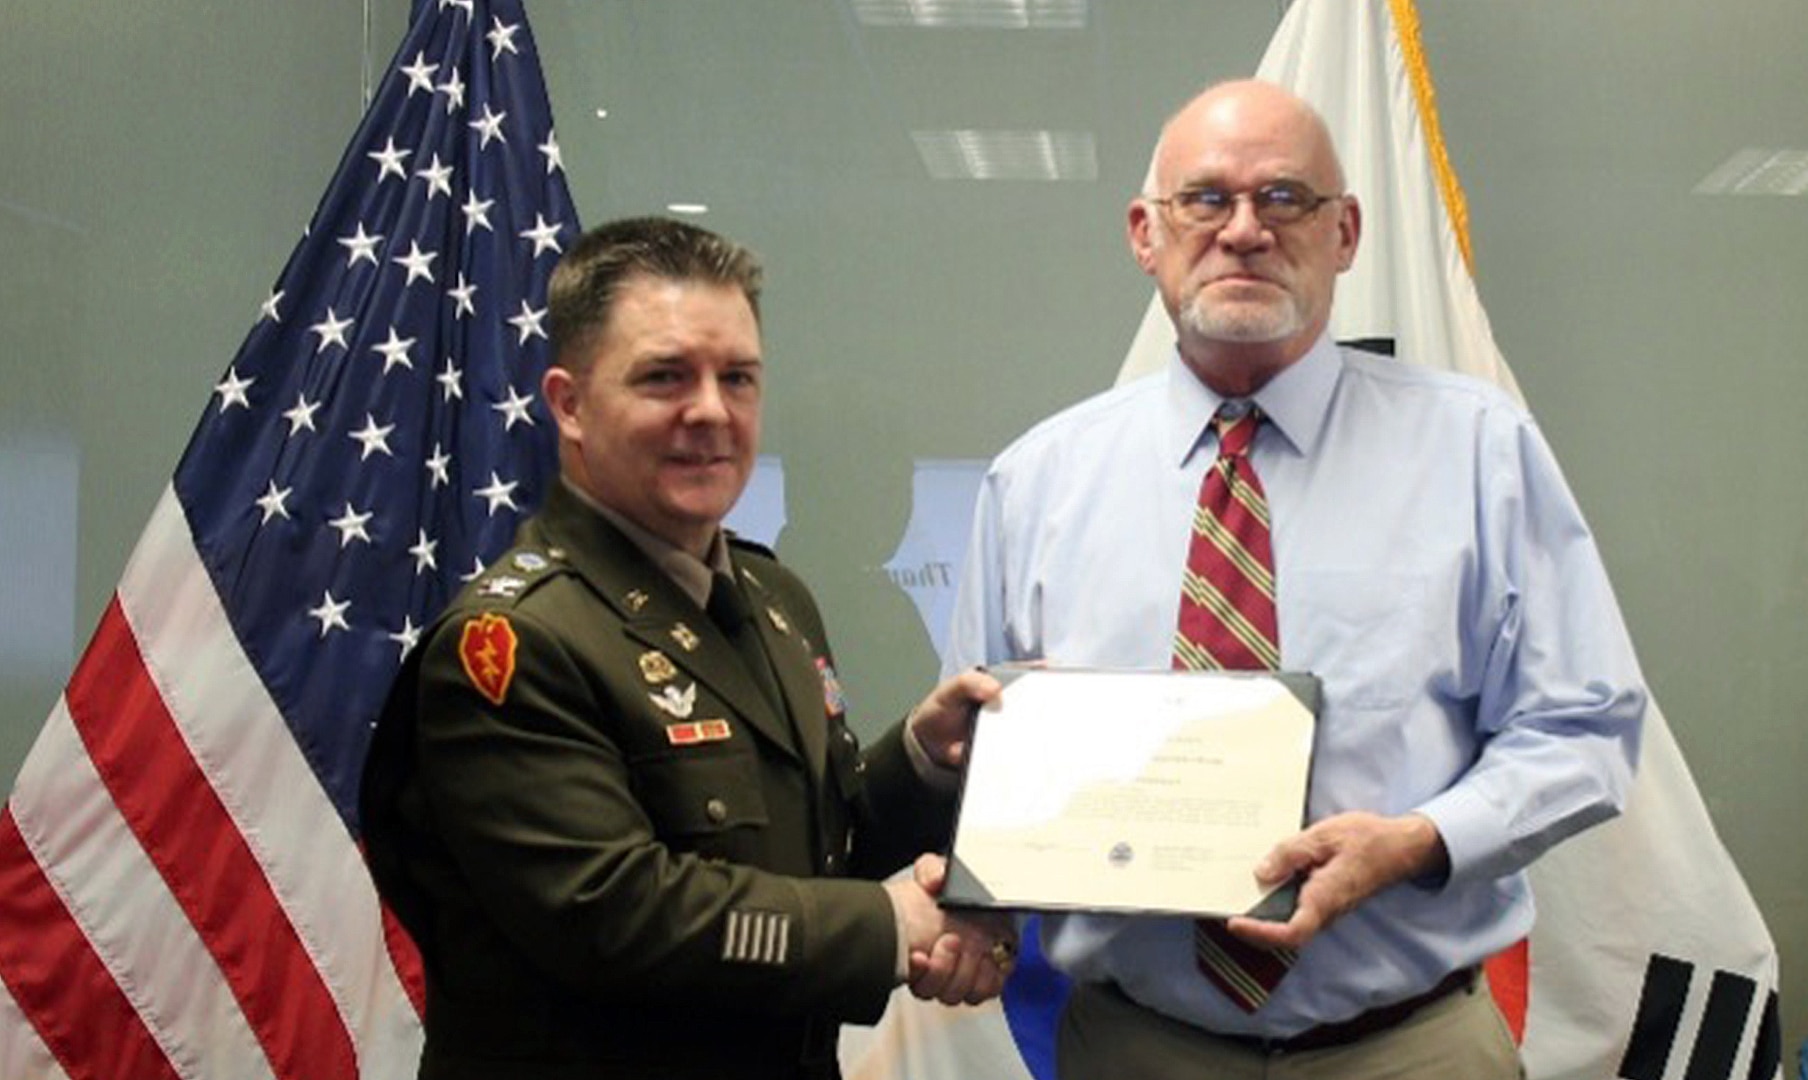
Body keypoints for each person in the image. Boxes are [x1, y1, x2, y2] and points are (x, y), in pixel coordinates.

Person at [946, 80, 1647, 1078]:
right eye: (1206, 200)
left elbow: (1587, 726)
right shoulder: (1036, 482)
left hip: (1410, 1045)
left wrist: (1414, 842)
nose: (1244, 231)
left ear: (1346, 231)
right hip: (1138, 1047)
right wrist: (975, 907)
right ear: (1145, 233)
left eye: (1284, 198)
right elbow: (980, 753)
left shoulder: (1478, 451)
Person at [360, 216, 1010, 1080]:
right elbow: (617, 915)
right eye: (665, 377)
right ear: (569, 404)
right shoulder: (513, 645)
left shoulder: (773, 599)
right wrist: (890, 930)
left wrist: (924, 759)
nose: (710, 410)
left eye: (737, 377)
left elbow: (817, 850)